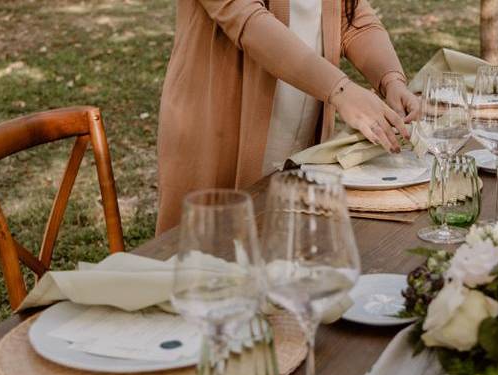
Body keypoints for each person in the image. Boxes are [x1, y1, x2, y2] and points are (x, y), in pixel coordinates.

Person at [156, 0, 420, 233]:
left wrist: (390, 79)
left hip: (299, 143)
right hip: (217, 133)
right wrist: (341, 91)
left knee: (287, 257)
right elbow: (247, 19)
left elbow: (351, 17)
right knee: (211, 261)